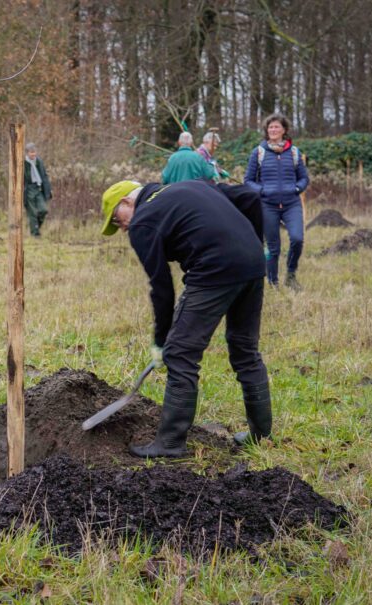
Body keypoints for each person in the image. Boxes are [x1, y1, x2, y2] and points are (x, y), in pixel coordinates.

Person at [100, 178, 271, 458]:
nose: (123, 228)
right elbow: (249, 197)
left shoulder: (143, 222)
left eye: (118, 221)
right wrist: (255, 242)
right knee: (245, 349)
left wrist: (160, 341)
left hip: (214, 269)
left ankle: (170, 443)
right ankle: (261, 435)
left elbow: (162, 288)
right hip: (253, 263)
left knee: (180, 354)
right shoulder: (189, 185)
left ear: (127, 202)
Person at [244, 114, 309, 289]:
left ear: (284, 130)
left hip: (291, 204)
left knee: (297, 239)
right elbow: (248, 181)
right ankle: (273, 282)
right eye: (270, 127)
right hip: (268, 205)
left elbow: (304, 179)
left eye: (276, 127)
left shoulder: (294, 152)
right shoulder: (258, 152)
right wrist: (263, 190)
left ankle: (291, 275)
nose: (273, 130)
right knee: (273, 248)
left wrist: (296, 189)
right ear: (267, 130)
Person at [23, 143, 52, 236]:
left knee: (43, 210)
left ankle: (36, 227)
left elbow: (44, 176)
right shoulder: (23, 163)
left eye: (34, 152)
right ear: (27, 153)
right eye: (31, 152)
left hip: (38, 188)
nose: (33, 154)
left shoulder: (39, 161)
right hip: (29, 189)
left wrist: (48, 189)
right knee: (32, 213)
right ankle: (35, 233)